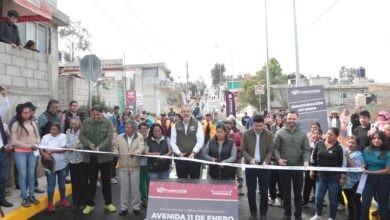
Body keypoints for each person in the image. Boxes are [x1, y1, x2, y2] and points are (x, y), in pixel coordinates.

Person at [274, 111, 311, 220]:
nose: (291, 121)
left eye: (294, 119)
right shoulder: (280, 132)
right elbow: (275, 148)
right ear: (286, 118)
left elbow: (306, 149)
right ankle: (287, 214)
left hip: (298, 167)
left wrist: (306, 161)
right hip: (284, 168)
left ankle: (298, 215)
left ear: (297, 119)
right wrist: (279, 159)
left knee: (298, 193)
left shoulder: (303, 133)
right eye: (290, 118)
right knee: (286, 193)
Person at [79, 105, 116, 215]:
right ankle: (89, 204)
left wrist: (100, 147)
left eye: (98, 115)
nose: (96, 117)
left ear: (102, 112)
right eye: (94, 114)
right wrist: (89, 144)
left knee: (106, 181)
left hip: (105, 157)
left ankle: (108, 203)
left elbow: (109, 137)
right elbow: (81, 136)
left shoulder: (108, 122)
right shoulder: (87, 122)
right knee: (91, 182)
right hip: (90, 157)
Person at [242, 115, 274, 220]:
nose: (259, 128)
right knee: (251, 191)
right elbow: (243, 150)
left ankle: (263, 213)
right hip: (250, 165)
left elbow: (270, 151)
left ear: (264, 124)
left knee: (264, 191)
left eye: (261, 126)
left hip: (264, 166)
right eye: (256, 126)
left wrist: (266, 161)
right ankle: (253, 212)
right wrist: (250, 159)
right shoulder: (246, 134)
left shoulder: (269, 134)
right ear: (253, 124)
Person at [309, 128, 345, 220]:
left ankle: (332, 217)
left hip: (334, 177)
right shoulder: (319, 143)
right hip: (321, 176)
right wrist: (312, 170)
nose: (328, 135)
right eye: (327, 133)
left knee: (333, 200)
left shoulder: (340, 147)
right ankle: (318, 214)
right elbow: (313, 157)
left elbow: (343, 163)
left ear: (336, 136)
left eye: (331, 134)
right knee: (318, 197)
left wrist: (342, 176)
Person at [12, 104, 41, 207]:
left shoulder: (33, 123)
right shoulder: (16, 124)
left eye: (28, 112)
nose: (27, 114)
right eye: (25, 113)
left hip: (32, 152)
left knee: (31, 174)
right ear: (20, 113)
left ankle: (32, 195)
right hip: (20, 152)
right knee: (23, 174)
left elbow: (38, 136)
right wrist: (29, 146)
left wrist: (37, 143)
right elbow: (14, 141)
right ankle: (24, 197)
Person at [114, 120, 144, 216]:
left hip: (135, 166)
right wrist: (115, 153)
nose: (126, 129)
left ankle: (136, 207)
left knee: (135, 188)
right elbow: (115, 148)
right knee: (124, 188)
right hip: (122, 166)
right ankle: (124, 208)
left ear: (134, 129)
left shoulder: (139, 137)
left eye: (128, 127)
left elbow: (141, 148)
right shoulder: (119, 137)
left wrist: (136, 153)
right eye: (125, 127)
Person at [39, 123, 70, 212]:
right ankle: (50, 203)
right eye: (51, 129)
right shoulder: (45, 137)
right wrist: (44, 153)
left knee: (62, 185)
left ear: (59, 130)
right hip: (49, 166)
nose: (52, 131)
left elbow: (64, 149)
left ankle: (63, 200)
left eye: (55, 129)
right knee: (51, 185)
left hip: (62, 165)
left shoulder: (64, 136)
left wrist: (52, 151)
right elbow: (41, 148)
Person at [360, 131, 390, 220]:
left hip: (383, 181)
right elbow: (365, 163)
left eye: (379, 138)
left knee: (382, 205)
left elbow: (388, 171)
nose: (376, 140)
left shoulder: (388, 152)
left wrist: (370, 172)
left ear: (384, 140)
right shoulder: (366, 150)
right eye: (374, 138)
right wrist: (363, 165)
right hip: (369, 180)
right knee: (365, 204)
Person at [170, 104, 204, 179]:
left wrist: (193, 152)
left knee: (195, 182)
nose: (186, 113)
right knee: (182, 183)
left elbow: (200, 140)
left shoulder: (197, 124)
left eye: (188, 111)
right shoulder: (175, 125)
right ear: (181, 113)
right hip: (180, 160)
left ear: (191, 113)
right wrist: (178, 153)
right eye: (184, 111)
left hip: (194, 159)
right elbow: (172, 141)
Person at [66, 117, 87, 210]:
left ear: (79, 123)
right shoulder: (68, 131)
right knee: (74, 182)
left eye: (75, 124)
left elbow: (85, 144)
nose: (73, 126)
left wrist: (79, 147)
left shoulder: (83, 131)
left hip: (81, 159)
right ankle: (75, 202)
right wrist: (69, 147)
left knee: (82, 181)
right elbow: (66, 142)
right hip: (71, 160)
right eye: (72, 124)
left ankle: (83, 202)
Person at [342, 136, 363, 220]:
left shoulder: (358, 155)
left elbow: (355, 169)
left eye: (353, 143)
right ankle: (350, 217)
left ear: (357, 145)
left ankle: (357, 218)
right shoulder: (345, 151)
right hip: (345, 182)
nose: (350, 144)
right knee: (349, 201)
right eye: (349, 142)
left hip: (355, 183)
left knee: (356, 202)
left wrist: (347, 157)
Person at [224, 119, 244, 195]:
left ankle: (240, 188)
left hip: (236, 159)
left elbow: (241, 147)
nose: (228, 126)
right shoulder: (222, 135)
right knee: (229, 176)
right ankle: (229, 189)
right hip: (226, 160)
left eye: (229, 124)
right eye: (226, 124)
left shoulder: (236, 135)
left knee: (239, 175)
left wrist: (233, 148)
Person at [0, 87, 12, 208]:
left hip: (2, 152)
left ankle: (2, 199)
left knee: (3, 178)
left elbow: (6, 106)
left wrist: (4, 94)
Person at [138, 122, 150, 207]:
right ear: (139, 130)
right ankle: (144, 198)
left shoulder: (150, 139)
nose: (144, 130)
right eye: (142, 128)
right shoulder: (136, 139)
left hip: (149, 164)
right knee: (141, 182)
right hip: (139, 163)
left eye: (145, 128)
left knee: (149, 181)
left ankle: (150, 197)